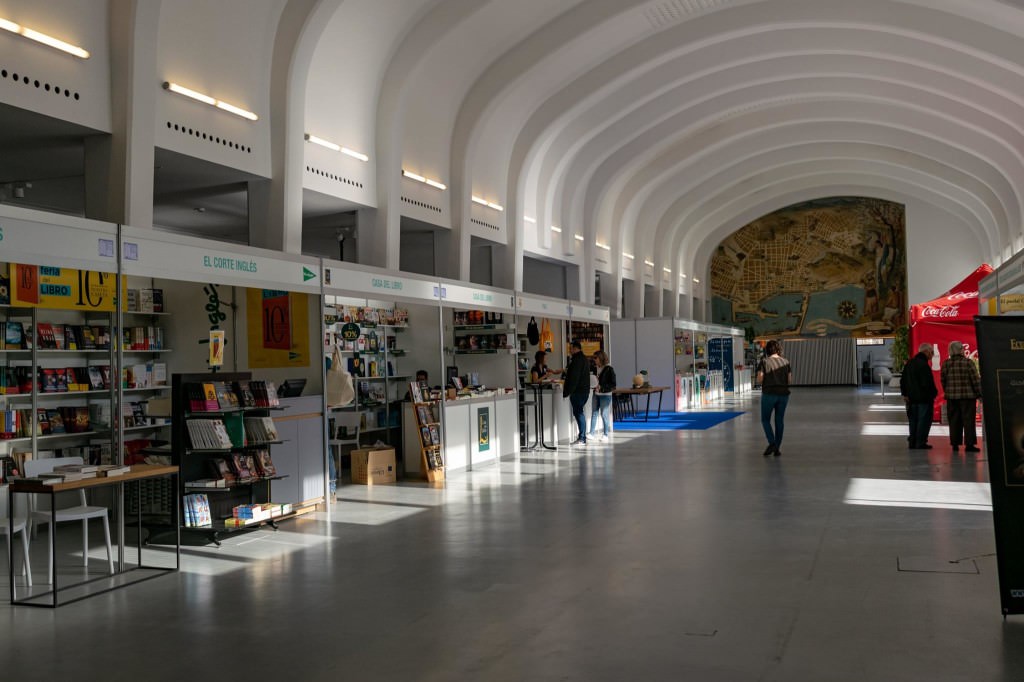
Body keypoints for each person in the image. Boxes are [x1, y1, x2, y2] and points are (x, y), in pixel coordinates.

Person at [940, 340, 981, 452]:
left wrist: (948, 391)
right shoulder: (968, 363)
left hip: (952, 398)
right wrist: (979, 394)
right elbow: (975, 380)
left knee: (954, 421)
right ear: (961, 350)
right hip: (968, 397)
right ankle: (969, 445)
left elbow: (943, 380)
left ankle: (955, 444)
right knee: (968, 421)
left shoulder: (946, 363)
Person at [756, 339, 791, 457]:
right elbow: (789, 380)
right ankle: (777, 448)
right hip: (783, 395)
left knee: (765, 420)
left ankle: (772, 443)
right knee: (779, 420)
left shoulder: (764, 362)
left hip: (769, 394)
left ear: (767, 350)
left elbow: (760, 379)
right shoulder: (786, 362)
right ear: (778, 349)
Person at [900, 342, 938, 449]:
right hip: (923, 398)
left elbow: (903, 381)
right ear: (926, 352)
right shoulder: (923, 365)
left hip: (911, 399)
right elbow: (927, 383)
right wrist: (934, 393)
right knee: (923, 421)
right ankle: (920, 442)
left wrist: (905, 394)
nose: (933, 354)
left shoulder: (909, 363)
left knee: (913, 421)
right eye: (931, 352)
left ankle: (912, 442)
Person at [562, 340, 590, 445]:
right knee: (579, 412)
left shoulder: (576, 361)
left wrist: (567, 391)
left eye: (571, 348)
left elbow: (574, 378)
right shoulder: (584, 359)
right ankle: (582, 437)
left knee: (578, 413)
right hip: (584, 391)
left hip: (578, 391)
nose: (570, 350)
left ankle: (582, 437)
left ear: (576, 348)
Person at [588, 350, 616, 441]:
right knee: (594, 413)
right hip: (596, 394)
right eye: (593, 358)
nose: (594, 360)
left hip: (605, 395)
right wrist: (593, 386)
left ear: (601, 358)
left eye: (595, 358)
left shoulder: (609, 369)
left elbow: (613, 385)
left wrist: (602, 388)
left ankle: (606, 434)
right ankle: (591, 433)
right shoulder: (593, 368)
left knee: (604, 414)